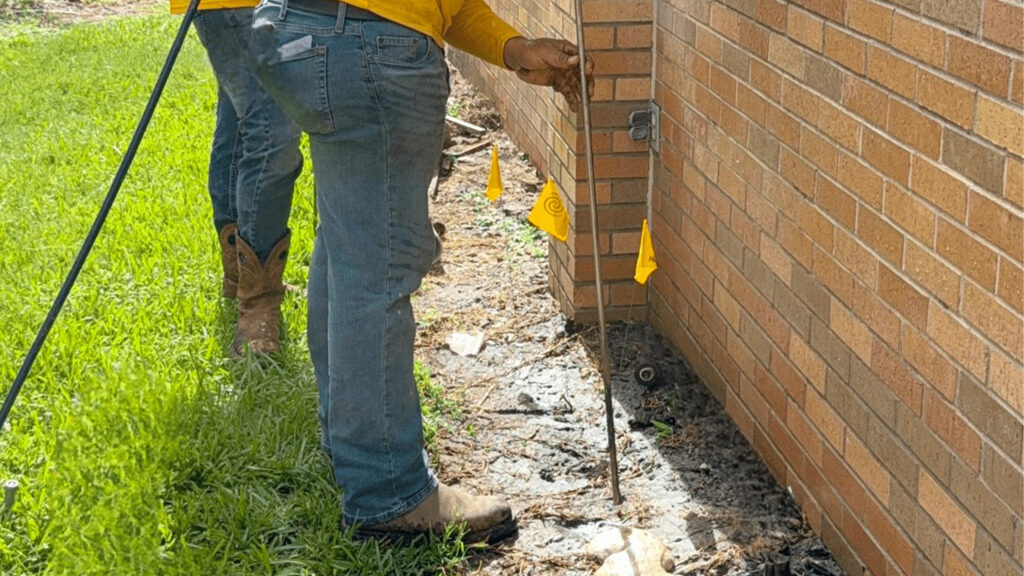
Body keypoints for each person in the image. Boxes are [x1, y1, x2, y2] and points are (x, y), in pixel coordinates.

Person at [249, 0, 593, 544]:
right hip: (370, 46)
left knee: (350, 243)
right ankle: (388, 493)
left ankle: (352, 447)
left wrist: (514, 49)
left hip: (303, 31)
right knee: (378, 264)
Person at [170, 0, 303, 356]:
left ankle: (240, 275)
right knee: (273, 130)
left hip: (238, 5)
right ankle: (258, 302)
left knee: (240, 119)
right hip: (237, 4)